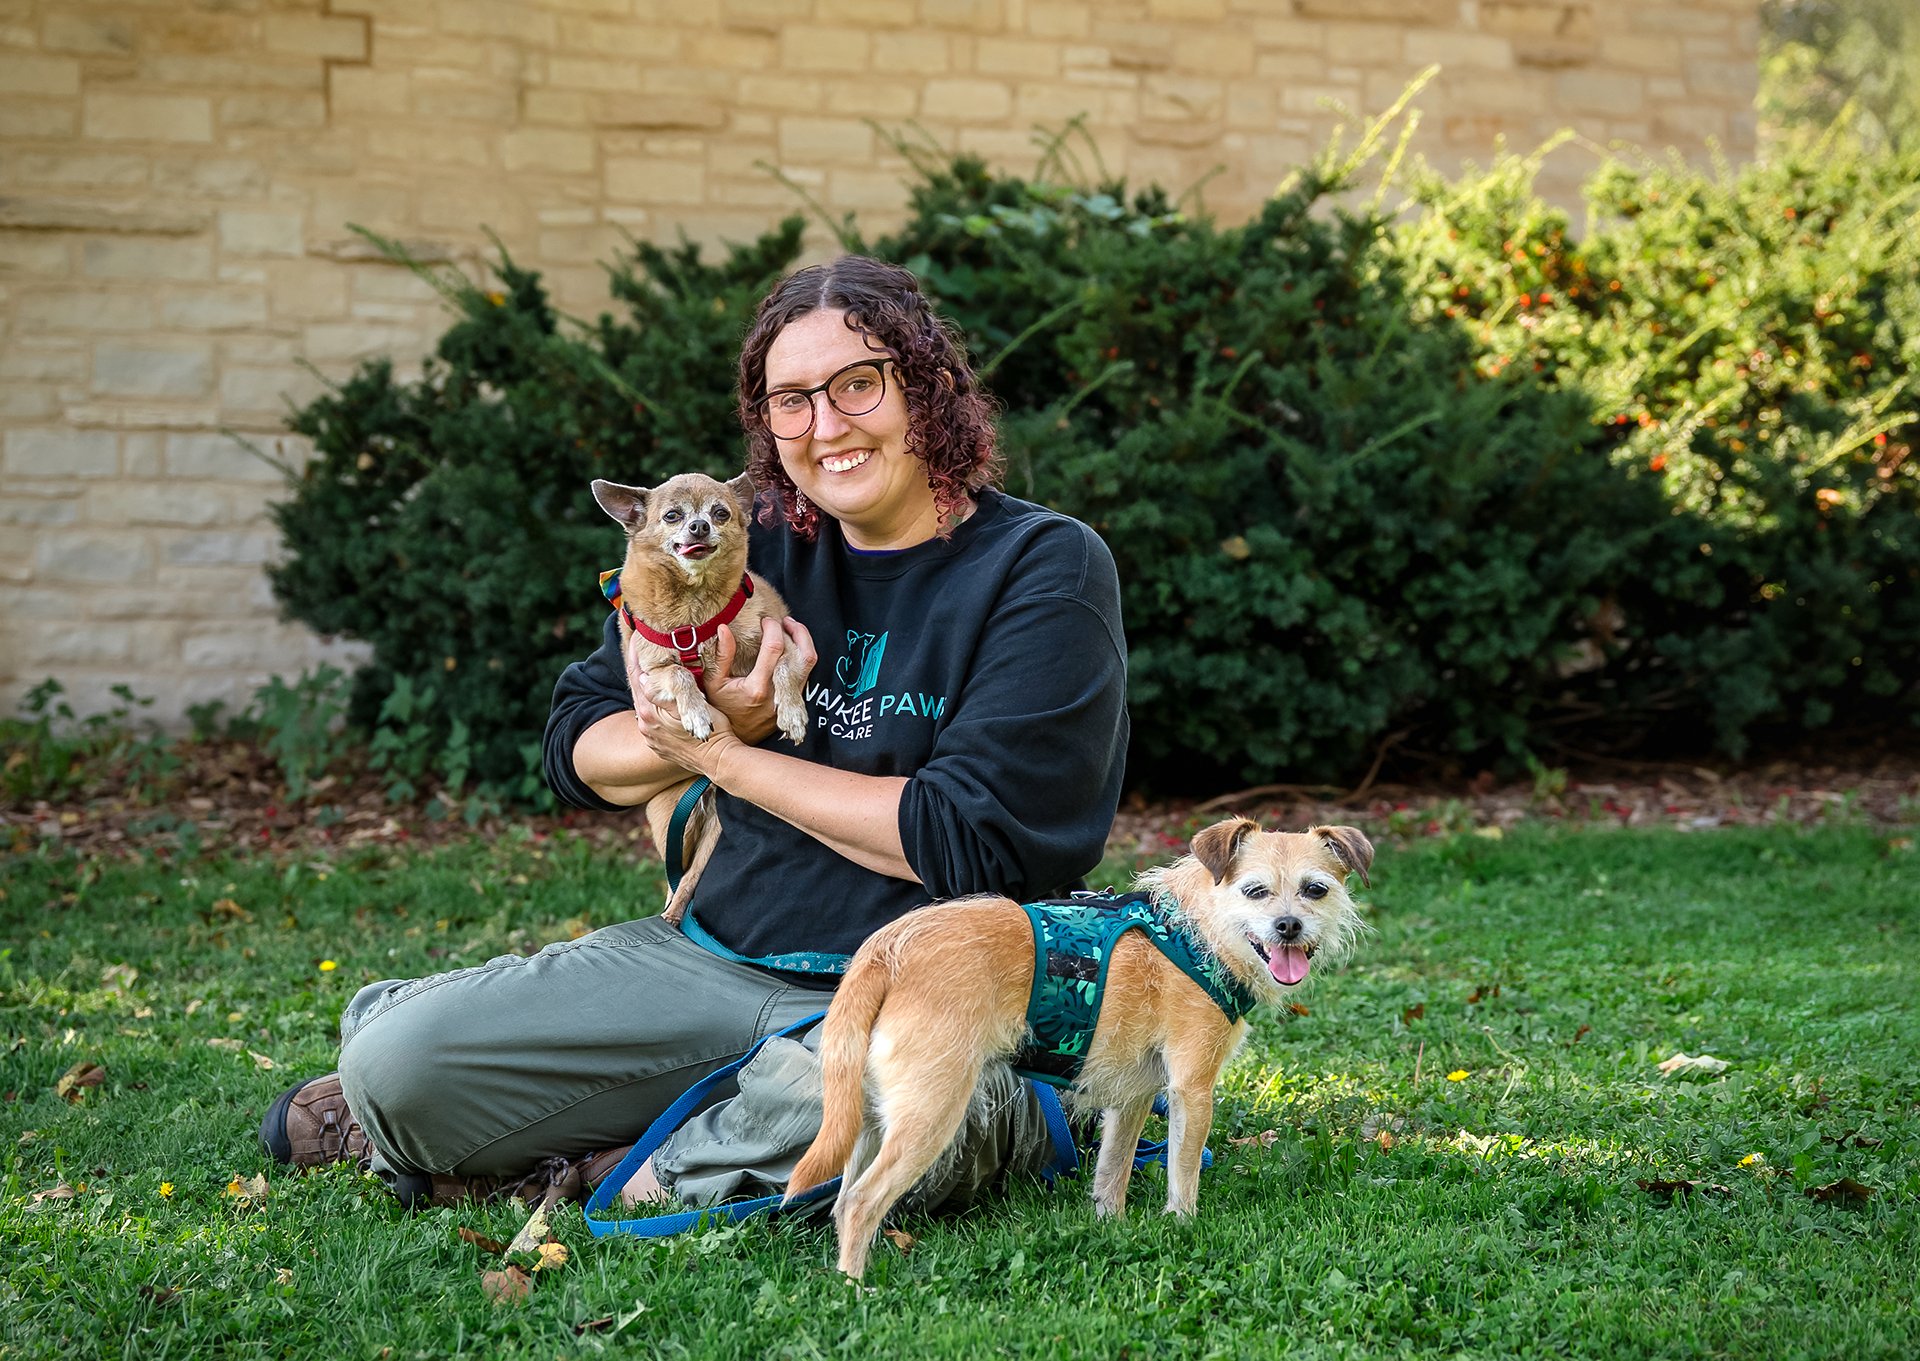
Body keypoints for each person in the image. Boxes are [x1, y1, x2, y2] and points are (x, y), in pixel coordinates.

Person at [260, 255, 1130, 1216]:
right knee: (398, 1062)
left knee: (911, 1106)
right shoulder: (738, 541)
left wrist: (721, 753)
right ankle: (652, 1126)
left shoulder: (1044, 565)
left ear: (927, 388)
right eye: (789, 401)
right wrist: (692, 729)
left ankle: (626, 1162)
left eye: (857, 384)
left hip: (926, 991)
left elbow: (961, 838)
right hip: (715, 957)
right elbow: (576, 745)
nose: (825, 426)